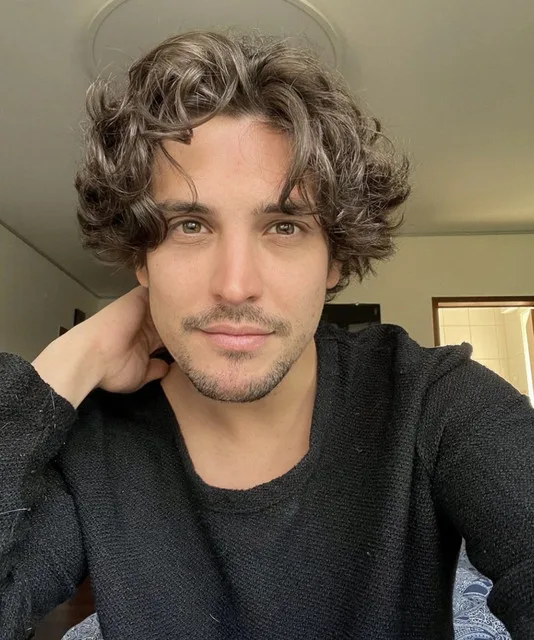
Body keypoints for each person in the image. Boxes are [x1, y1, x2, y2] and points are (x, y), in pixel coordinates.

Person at [0, 30, 532, 640]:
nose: (234, 286)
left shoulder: (433, 401)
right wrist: (69, 362)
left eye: (283, 226)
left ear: (335, 259)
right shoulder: (95, 438)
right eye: (190, 225)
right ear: (140, 259)